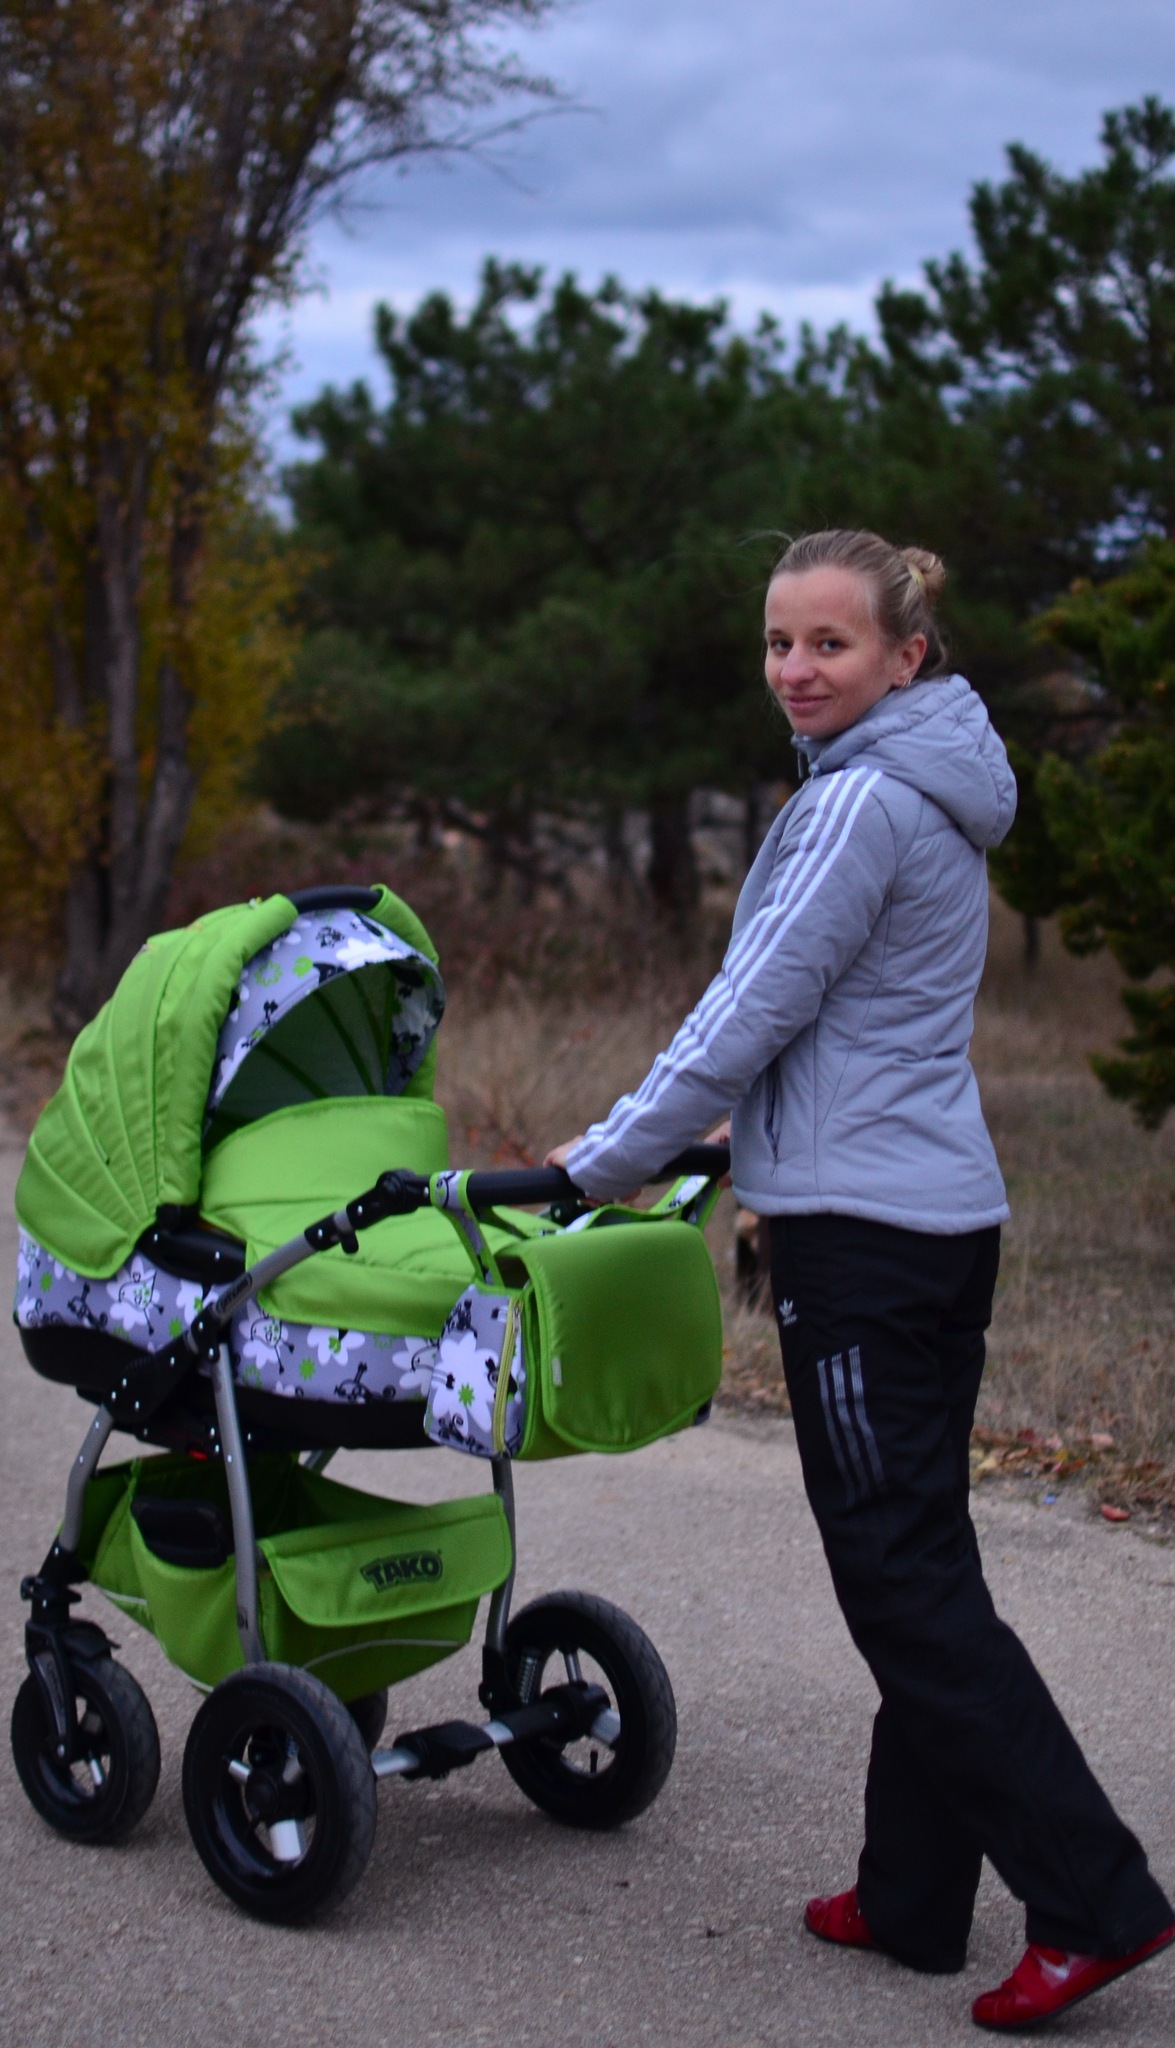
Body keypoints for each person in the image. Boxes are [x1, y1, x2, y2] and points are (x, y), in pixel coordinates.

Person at [546, 529, 1174, 2032]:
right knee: (923, 1562)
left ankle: (1091, 1900)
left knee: (899, 1580)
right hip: (940, 1218)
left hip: (862, 1241)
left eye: (829, 644)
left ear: (906, 655)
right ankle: (910, 1893)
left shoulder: (859, 803)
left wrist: (604, 1161)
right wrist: (729, 1135)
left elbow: (748, 1009)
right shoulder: (933, 785)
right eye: (779, 642)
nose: (795, 670)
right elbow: (854, 1019)